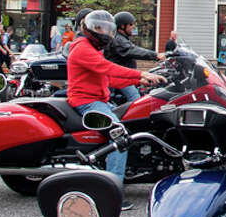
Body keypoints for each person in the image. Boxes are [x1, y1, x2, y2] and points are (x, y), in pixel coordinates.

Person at [67, 10, 165, 200]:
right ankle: (112, 194)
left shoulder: (92, 48)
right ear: (88, 28)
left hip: (97, 100)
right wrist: (140, 74)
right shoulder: (82, 48)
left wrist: (139, 82)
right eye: (99, 28)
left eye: (105, 28)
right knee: (119, 139)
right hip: (87, 102)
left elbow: (108, 78)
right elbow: (108, 68)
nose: (103, 32)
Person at [105, 11, 166, 102]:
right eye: (131, 24)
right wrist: (156, 55)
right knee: (136, 99)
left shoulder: (122, 38)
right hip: (120, 77)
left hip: (123, 75)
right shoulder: (118, 40)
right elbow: (133, 50)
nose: (134, 26)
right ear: (122, 26)